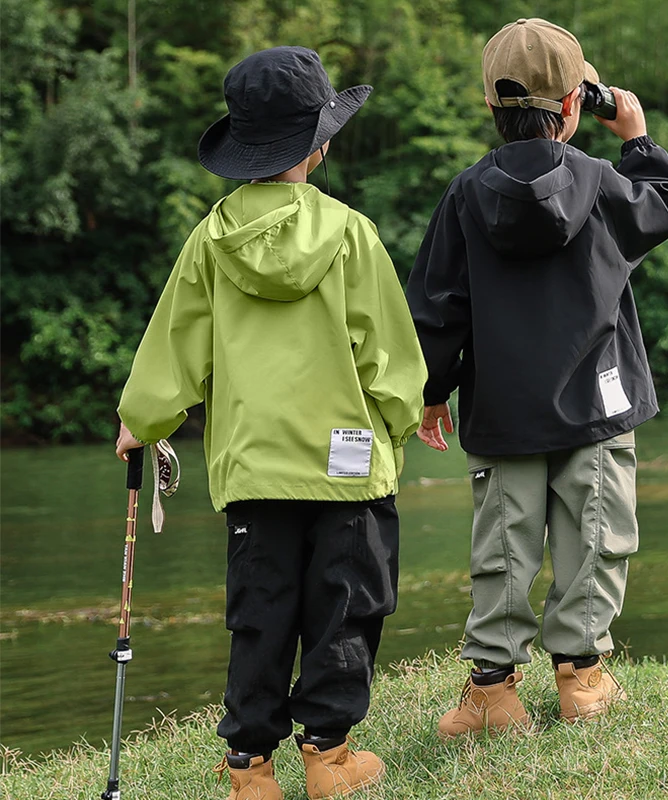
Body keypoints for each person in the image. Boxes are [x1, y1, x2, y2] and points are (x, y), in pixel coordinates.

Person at [115, 46, 426, 800]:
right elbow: (390, 354)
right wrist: (400, 422)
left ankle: (251, 770)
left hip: (255, 470)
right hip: (347, 468)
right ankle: (329, 756)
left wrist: (140, 421)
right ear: (317, 147)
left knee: (261, 617)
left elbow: (174, 348)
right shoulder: (352, 234)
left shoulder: (210, 241)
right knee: (346, 610)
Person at [406, 18, 668, 737]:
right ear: (571, 107)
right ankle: (582, 680)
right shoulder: (600, 180)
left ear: (490, 108)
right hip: (598, 397)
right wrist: (637, 138)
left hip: (503, 405)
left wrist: (433, 392)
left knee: (503, 542)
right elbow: (665, 210)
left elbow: (436, 308)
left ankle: (493, 695)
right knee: (595, 532)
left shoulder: (464, 194)